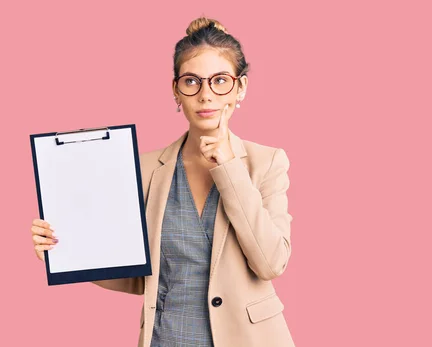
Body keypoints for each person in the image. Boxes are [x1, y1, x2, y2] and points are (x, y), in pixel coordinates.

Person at [30, 16, 295, 347]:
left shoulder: (267, 162)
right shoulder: (145, 169)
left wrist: (228, 166)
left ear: (240, 87)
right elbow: (137, 277)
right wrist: (65, 253)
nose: (206, 95)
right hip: (167, 337)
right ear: (176, 90)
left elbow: (270, 262)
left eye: (221, 80)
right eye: (191, 81)